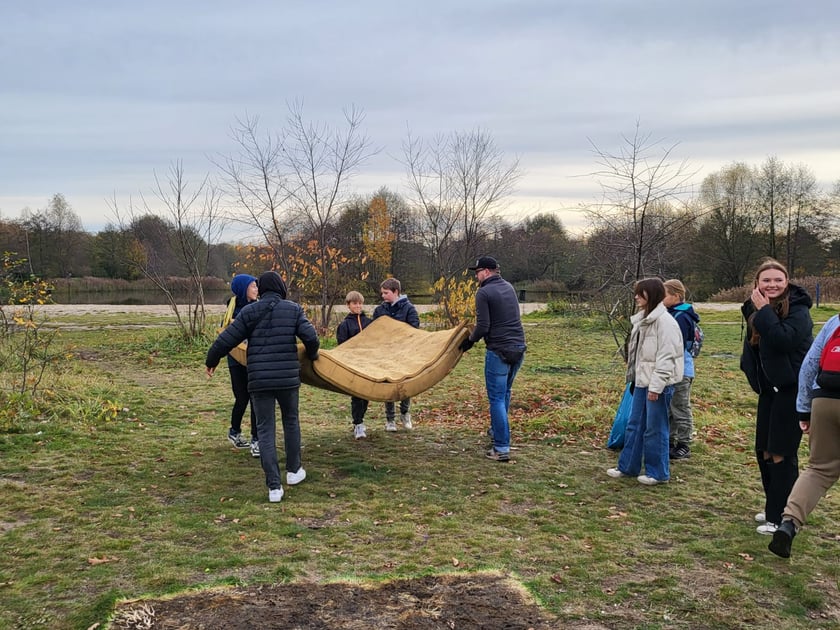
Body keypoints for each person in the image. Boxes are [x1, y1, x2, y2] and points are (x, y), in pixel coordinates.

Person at [206, 271, 320, 504]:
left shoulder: (249, 311)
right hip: (287, 379)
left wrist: (212, 360)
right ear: (281, 286)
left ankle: (274, 488)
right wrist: (313, 355)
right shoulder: (293, 309)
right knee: (291, 421)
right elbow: (311, 337)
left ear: (262, 288)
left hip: (259, 380)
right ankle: (294, 471)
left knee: (265, 429)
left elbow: (226, 339)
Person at [739, 258, 812, 534]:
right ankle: (773, 508)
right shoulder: (754, 308)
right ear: (757, 283)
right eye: (766, 280)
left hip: (792, 392)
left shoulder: (799, 310)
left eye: (778, 280)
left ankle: (784, 516)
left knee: (782, 453)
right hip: (769, 392)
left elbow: (783, 340)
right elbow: (755, 349)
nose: (772, 285)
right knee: (765, 451)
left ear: (787, 281)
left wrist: (762, 311)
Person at [769, 314, 840, 557]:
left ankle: (789, 523)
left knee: (819, 469)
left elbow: (809, 364)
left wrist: (804, 408)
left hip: (825, 398)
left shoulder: (835, 321)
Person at [607, 278, 683, 485]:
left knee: (655, 428)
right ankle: (628, 467)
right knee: (635, 424)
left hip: (658, 385)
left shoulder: (665, 323)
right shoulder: (643, 320)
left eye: (641, 293)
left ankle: (658, 473)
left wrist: (656, 386)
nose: (636, 297)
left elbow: (667, 357)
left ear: (652, 294)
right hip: (641, 383)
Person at [458, 256, 526, 462]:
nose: (476, 276)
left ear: (487, 271)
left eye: (477, 272)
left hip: (498, 350)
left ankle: (501, 448)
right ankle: (498, 433)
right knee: (505, 393)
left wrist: (469, 341)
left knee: (496, 398)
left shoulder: (484, 292)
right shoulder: (509, 287)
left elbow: (483, 326)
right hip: (519, 348)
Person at [373, 277, 420, 431]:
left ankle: (405, 413)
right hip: (385, 353)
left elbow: (414, 330)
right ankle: (390, 419)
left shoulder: (409, 309)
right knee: (389, 385)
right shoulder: (379, 310)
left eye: (386, 293)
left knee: (406, 384)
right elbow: (374, 332)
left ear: (396, 292)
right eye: (382, 293)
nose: (383, 296)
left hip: (405, 353)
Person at [663, 279, 700, 460]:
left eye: (665, 295)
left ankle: (684, 444)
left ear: (676, 296)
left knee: (680, 407)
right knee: (669, 408)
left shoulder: (682, 317)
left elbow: (677, 344)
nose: (661, 299)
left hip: (681, 370)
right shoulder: (671, 313)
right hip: (669, 369)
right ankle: (669, 441)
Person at [224, 274, 260, 455]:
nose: (256, 289)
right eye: (253, 286)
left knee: (256, 398)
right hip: (236, 361)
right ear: (243, 288)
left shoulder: (257, 307)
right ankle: (234, 431)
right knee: (242, 398)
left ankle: (256, 439)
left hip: (254, 360)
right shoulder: (231, 309)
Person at [336, 290, 372, 440]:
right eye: (354, 303)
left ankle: (361, 420)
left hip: (369, 364)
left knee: (366, 395)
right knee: (357, 395)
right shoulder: (344, 325)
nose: (357, 306)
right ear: (348, 305)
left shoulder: (369, 322)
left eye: (359, 303)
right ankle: (358, 424)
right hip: (353, 365)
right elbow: (342, 346)